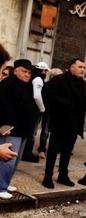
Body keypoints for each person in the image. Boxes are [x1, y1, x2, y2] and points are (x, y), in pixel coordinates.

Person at [41, 58, 86, 189]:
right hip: (59, 123)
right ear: (71, 67)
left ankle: (63, 175)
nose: (82, 70)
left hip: (74, 125)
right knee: (53, 151)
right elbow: (46, 94)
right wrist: (65, 104)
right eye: (80, 67)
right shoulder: (59, 80)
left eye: (84, 67)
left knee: (67, 152)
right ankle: (47, 177)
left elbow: (84, 100)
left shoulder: (83, 84)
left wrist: (85, 105)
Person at [0, 59, 35, 199]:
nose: (27, 75)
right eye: (24, 71)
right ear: (15, 71)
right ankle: (1, 187)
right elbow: (2, 107)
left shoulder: (26, 86)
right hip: (11, 129)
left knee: (16, 160)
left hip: (24, 129)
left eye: (29, 72)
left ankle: (5, 183)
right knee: (7, 159)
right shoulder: (7, 84)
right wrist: (4, 127)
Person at [21, 61, 49, 163]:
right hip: (33, 109)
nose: (46, 73)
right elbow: (37, 96)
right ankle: (27, 154)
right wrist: (42, 108)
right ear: (42, 70)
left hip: (27, 108)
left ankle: (24, 152)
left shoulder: (31, 76)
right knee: (31, 132)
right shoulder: (38, 79)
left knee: (28, 130)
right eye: (45, 70)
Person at [37, 68, 63, 159]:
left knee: (48, 131)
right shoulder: (48, 86)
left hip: (52, 112)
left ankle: (44, 149)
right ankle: (42, 150)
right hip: (49, 112)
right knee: (46, 131)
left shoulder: (48, 85)